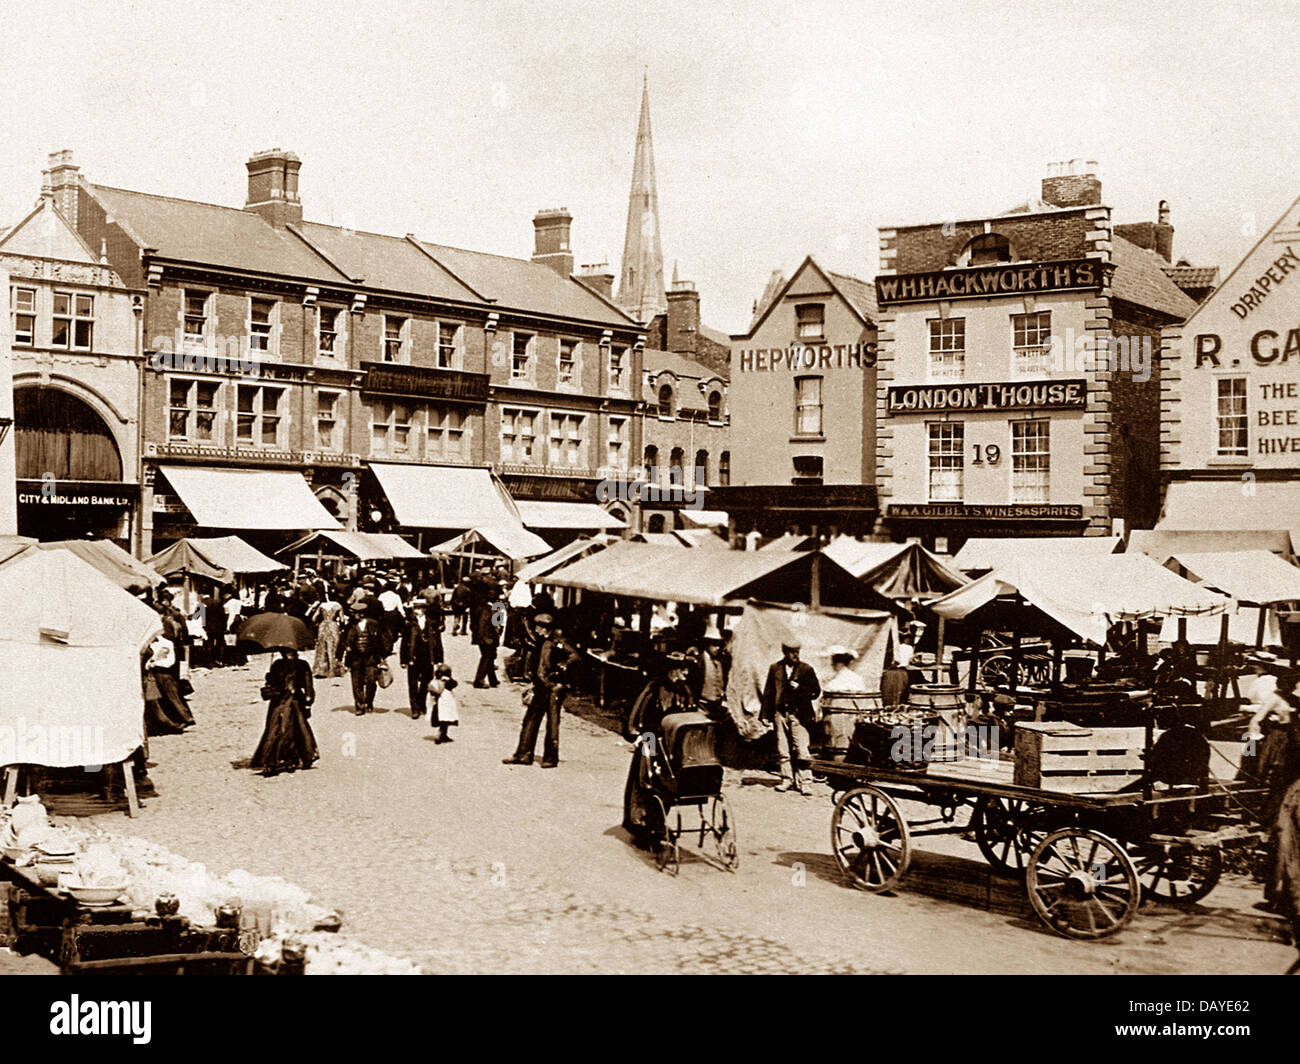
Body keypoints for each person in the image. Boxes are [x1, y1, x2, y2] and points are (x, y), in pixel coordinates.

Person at [503, 614, 580, 768]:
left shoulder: (558, 642)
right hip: (540, 686)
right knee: (530, 720)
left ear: (546, 628)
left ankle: (551, 758)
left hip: (553, 687)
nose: (538, 630)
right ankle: (523, 754)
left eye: (540, 627)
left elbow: (575, 656)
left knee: (552, 723)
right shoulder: (540, 641)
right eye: (537, 626)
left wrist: (564, 664)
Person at [760, 639, 821, 793]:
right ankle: (786, 779)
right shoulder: (775, 668)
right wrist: (765, 715)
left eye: (797, 652)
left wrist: (800, 688)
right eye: (792, 652)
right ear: (785, 652)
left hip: (799, 716)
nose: (795, 655)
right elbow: (769, 692)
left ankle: (805, 782)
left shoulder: (806, 669)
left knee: (802, 749)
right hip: (780, 714)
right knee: (783, 750)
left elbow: (816, 692)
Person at [250, 647, 319, 775]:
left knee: (284, 729)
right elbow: (308, 686)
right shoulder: (282, 665)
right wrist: (270, 677)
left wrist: (308, 701)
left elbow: (308, 686)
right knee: (283, 729)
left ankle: (282, 759)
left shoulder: (290, 665)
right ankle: (287, 758)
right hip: (283, 701)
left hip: (290, 702)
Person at [400, 595, 445, 720]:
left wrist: (439, 659)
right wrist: (403, 660)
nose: (416, 610)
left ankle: (421, 702)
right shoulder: (409, 624)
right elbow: (404, 643)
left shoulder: (431, 623)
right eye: (415, 608)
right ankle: (415, 708)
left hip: (427, 657)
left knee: (426, 682)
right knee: (413, 683)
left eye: (419, 608)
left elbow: (438, 642)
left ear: (424, 609)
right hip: (413, 657)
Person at [142, 633, 196, 734]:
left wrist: (153, 664)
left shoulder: (165, 643)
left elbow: (169, 661)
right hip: (151, 675)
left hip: (162, 674)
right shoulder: (145, 644)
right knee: (156, 702)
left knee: (170, 698)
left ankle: (179, 721)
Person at [341, 601, 386, 715]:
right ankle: (360, 706)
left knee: (371, 681)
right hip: (355, 658)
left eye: (355, 613)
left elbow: (381, 640)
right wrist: (341, 654)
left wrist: (383, 656)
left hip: (370, 657)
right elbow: (343, 640)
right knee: (357, 682)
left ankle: (369, 701)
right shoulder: (350, 626)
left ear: (362, 614)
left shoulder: (373, 624)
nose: (353, 615)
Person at [471, 581, 505, 688]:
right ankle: (479, 681)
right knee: (486, 658)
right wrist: (486, 638)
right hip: (486, 638)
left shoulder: (492, 607)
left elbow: (497, 623)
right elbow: (482, 625)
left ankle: (493, 680)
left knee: (490, 658)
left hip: (489, 637)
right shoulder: (486, 609)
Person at [310, 590, 345, 679]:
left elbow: (314, 618)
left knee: (322, 647)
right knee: (334, 647)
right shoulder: (338, 606)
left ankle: (321, 669)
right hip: (333, 626)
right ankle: (333, 670)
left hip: (323, 626)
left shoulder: (322, 605)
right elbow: (342, 620)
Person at [697, 625, 729, 719]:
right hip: (702, 705)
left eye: (719, 644)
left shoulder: (721, 662)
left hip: (717, 706)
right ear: (707, 644)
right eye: (714, 644)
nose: (718, 648)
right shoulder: (698, 661)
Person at [428, 663, 459, 743]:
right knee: (444, 721)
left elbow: (454, 684)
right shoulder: (443, 682)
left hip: (443, 704)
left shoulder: (437, 682)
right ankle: (440, 735)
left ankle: (443, 735)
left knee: (445, 721)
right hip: (443, 705)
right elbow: (454, 684)